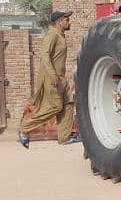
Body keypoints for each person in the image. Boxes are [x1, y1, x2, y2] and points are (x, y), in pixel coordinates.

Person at [18, 11, 78, 148]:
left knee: (69, 104)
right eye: (67, 20)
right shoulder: (52, 35)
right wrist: (52, 74)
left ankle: (64, 138)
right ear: (59, 22)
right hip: (53, 78)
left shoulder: (61, 35)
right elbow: (44, 55)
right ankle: (25, 128)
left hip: (61, 79)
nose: (69, 22)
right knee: (55, 106)